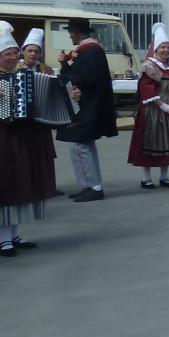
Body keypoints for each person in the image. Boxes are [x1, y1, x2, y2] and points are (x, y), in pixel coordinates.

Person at [1, 22, 58, 255]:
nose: (14, 57)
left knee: (20, 182)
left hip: (22, 138)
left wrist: (71, 97)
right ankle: (3, 238)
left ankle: (13, 234)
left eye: (15, 53)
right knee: (5, 185)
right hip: (3, 139)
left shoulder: (26, 75)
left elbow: (47, 101)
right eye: (8, 54)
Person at [56, 16, 117, 202]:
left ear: (77, 33)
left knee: (81, 145)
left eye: (71, 33)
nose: (70, 37)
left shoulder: (91, 51)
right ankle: (87, 185)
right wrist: (66, 66)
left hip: (89, 106)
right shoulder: (89, 51)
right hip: (88, 104)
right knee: (82, 145)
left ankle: (94, 186)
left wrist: (66, 68)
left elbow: (85, 78)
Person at [127, 22, 169, 189]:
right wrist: (162, 105)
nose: (166, 50)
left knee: (168, 142)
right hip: (153, 109)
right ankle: (146, 178)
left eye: (168, 47)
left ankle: (164, 177)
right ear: (156, 49)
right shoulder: (149, 67)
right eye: (163, 47)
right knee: (151, 141)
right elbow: (146, 88)